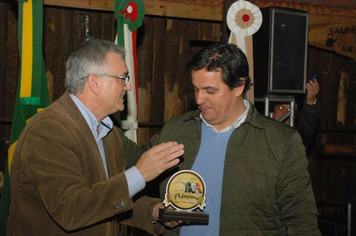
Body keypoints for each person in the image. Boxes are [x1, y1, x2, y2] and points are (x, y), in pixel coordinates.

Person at [7, 38, 184, 236]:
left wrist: (154, 211)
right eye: (123, 78)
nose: (128, 87)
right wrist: (140, 174)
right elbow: (71, 209)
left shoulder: (108, 132)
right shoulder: (49, 129)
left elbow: (108, 200)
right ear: (94, 83)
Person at [143, 43, 321, 235]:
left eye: (210, 91)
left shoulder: (281, 142)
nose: (199, 99)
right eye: (195, 89)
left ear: (238, 87)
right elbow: (131, 182)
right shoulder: (175, 130)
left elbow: (302, 222)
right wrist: (154, 209)